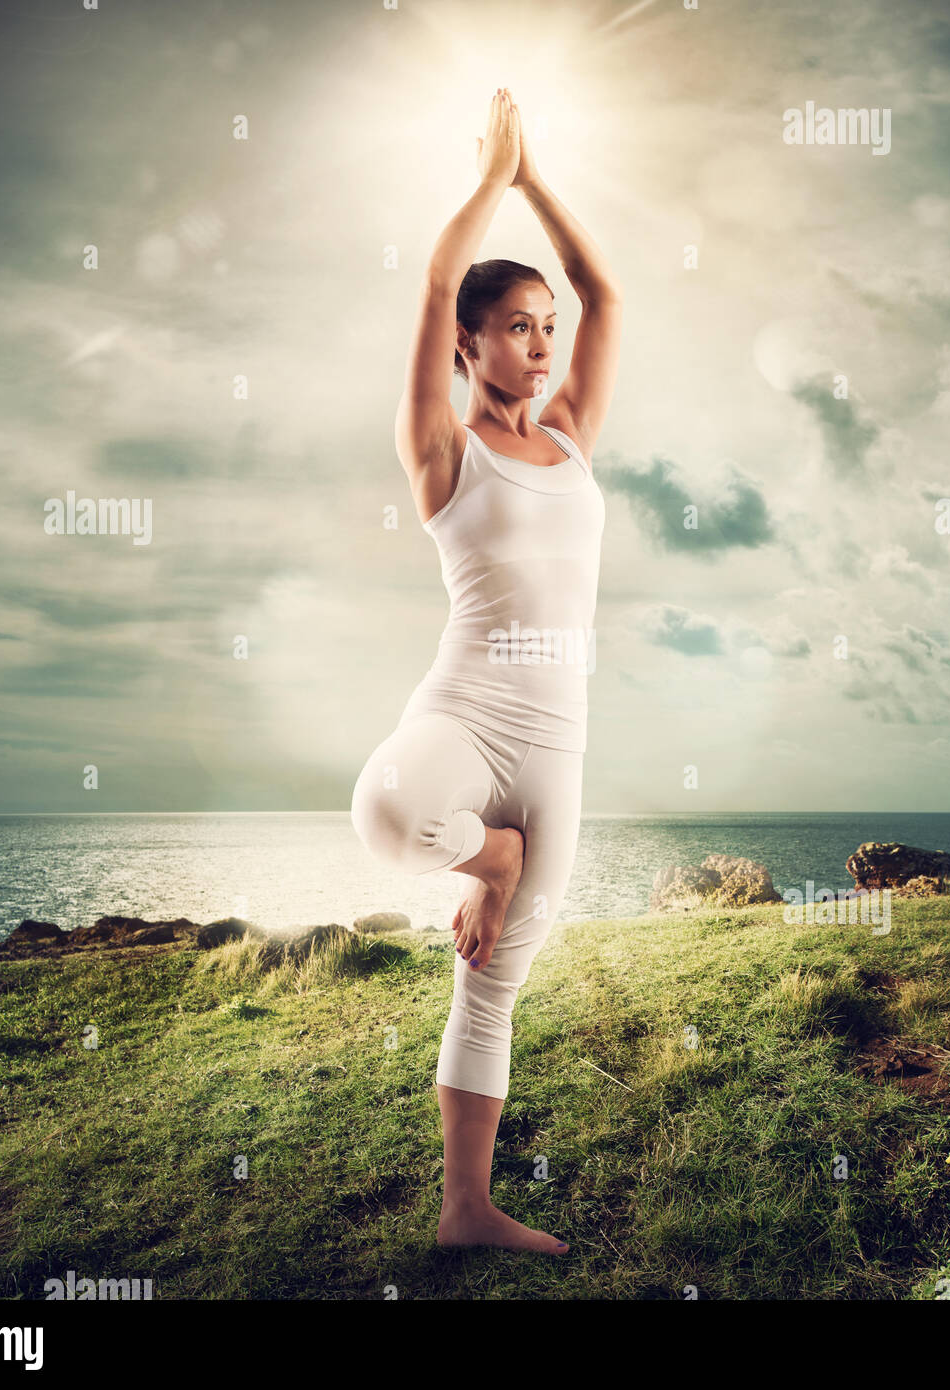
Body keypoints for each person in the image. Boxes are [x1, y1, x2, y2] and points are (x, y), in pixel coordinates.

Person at [350, 88, 621, 1254]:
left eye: (544, 326)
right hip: (465, 714)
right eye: (516, 324)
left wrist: (538, 181)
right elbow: (426, 283)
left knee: (493, 984)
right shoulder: (440, 451)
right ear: (467, 342)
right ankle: (486, 854)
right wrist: (486, 186)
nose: (541, 341)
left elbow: (608, 293)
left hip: (559, 747)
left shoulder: (567, 438)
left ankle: (467, 1209)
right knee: (386, 809)